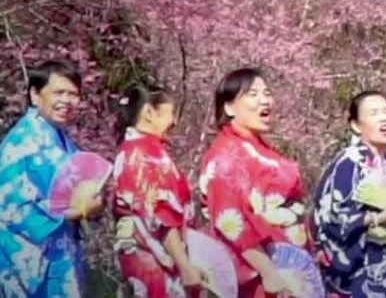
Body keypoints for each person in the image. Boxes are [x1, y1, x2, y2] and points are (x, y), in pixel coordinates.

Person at [197, 67, 310, 297]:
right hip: (260, 273)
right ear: (228, 107)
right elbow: (229, 219)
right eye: (253, 94)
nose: (264, 100)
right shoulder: (226, 155)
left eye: (267, 93)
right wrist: (268, 272)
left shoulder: (260, 149)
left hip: (289, 266)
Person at [312, 90, 386, 296]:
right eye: (374, 113)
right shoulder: (349, 162)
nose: (384, 118)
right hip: (356, 271)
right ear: (356, 126)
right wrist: (378, 218)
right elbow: (333, 219)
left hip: (385, 267)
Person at [0, 60, 103, 297]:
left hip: (63, 252)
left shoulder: (62, 140)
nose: (66, 101)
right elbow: (11, 207)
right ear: (35, 95)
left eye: (73, 94)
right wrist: (75, 211)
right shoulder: (21, 144)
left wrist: (94, 203)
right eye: (59, 92)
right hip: (29, 259)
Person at [111, 83, 205, 297]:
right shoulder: (142, 155)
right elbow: (160, 216)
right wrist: (184, 265)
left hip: (156, 257)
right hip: (155, 262)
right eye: (171, 113)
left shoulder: (142, 150)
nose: (174, 121)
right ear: (149, 113)